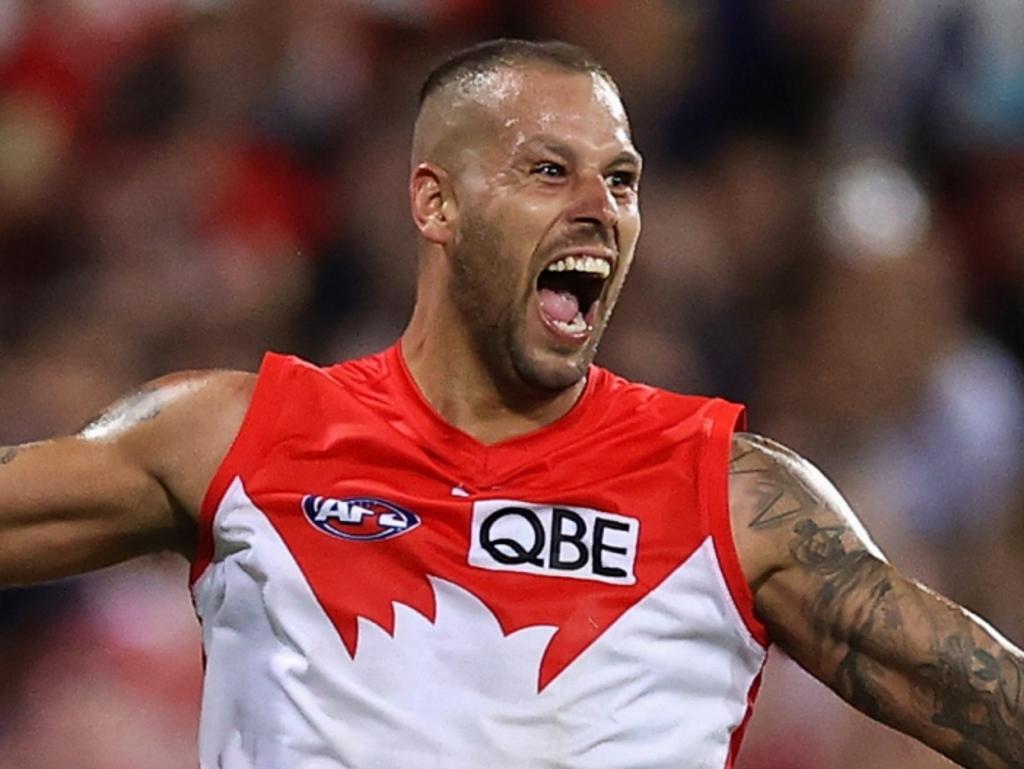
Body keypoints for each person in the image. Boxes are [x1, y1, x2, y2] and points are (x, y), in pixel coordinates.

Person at [0, 38, 1021, 769]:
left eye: (621, 180)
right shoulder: (234, 438)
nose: (601, 207)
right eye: (547, 169)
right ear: (434, 201)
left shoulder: (733, 495)